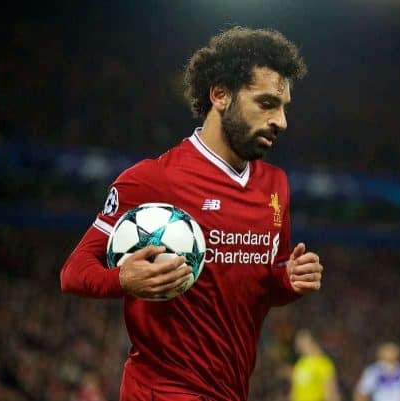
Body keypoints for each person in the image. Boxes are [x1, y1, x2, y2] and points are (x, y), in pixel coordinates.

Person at [60, 27, 323, 401]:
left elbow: (261, 285)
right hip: (161, 392)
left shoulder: (275, 184)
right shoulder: (152, 180)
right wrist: (123, 279)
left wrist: (289, 281)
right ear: (220, 94)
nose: (281, 121)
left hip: (231, 391)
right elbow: (74, 272)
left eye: (283, 107)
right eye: (266, 104)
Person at [290, 329, 341, 401]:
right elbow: (294, 391)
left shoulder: (323, 364)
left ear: (312, 342)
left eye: (302, 344)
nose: (300, 348)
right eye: (299, 345)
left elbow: (330, 393)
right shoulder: (300, 363)